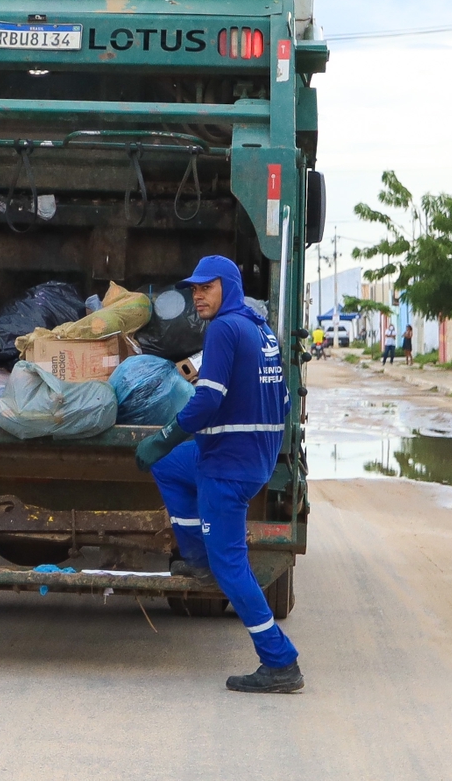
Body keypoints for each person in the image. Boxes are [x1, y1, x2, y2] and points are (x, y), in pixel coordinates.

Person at [133, 255, 302, 693]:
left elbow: (207, 400)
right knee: (169, 468)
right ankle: (197, 560)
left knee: (233, 567)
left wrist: (164, 435)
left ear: (228, 285)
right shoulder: (259, 328)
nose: (197, 296)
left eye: (206, 287)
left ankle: (280, 661)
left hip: (227, 466)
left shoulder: (225, 329)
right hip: (245, 458)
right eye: (193, 289)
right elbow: (283, 401)